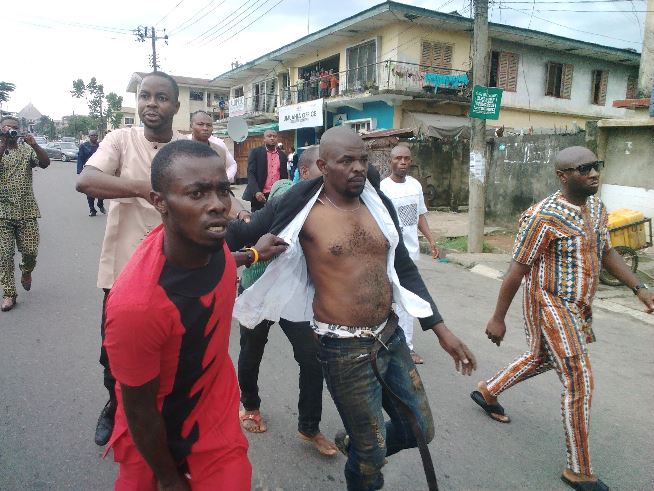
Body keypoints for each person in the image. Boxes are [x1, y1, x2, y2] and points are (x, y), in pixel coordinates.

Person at [227, 127, 476, 491]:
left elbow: (403, 268)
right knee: (372, 458)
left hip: (389, 337)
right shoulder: (301, 205)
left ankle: (357, 446)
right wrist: (225, 250)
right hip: (344, 350)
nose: (358, 168)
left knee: (420, 429)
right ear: (324, 166)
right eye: (347, 161)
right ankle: (365, 454)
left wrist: (441, 330)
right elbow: (236, 236)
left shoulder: (377, 202)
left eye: (362, 159)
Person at [103, 139, 288, 491]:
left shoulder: (206, 241)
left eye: (222, 191)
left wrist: (253, 255)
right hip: (154, 437)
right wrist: (170, 479)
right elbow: (140, 410)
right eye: (197, 194)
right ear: (160, 203)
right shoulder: (137, 307)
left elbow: (218, 263)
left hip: (214, 413)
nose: (218, 205)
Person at [472, 147, 654, 491]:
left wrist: (638, 287)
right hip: (549, 303)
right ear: (563, 176)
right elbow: (517, 269)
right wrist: (498, 317)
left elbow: (607, 252)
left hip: (578, 306)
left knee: (543, 358)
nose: (593, 173)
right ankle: (579, 470)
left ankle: (488, 390)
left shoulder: (597, 209)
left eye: (596, 166)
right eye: (583, 168)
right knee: (578, 377)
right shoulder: (543, 216)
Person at [76, 71, 185, 447]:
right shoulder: (121, 139)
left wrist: (243, 215)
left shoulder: (186, 149)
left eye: (160, 97)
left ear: (176, 105)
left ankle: (167, 414)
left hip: (178, 270)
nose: (151, 104)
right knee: (114, 351)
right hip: (124, 269)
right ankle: (113, 404)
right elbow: (86, 180)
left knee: (177, 348)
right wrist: (145, 188)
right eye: (144, 96)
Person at [234, 146, 337, 456]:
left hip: (296, 295)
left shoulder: (330, 203)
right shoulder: (287, 195)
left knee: (312, 359)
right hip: (262, 286)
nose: (331, 175)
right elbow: (258, 222)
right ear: (305, 172)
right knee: (252, 350)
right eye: (324, 168)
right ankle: (250, 405)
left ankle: (309, 426)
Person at [380, 145, 439, 365]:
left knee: (407, 302)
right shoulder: (383, 188)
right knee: (389, 300)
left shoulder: (415, 185)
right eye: (398, 158)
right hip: (389, 253)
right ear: (391, 161)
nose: (403, 162)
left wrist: (431, 240)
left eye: (406, 158)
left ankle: (406, 347)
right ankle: (392, 343)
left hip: (409, 254)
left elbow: (420, 216)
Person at [0, 116, 50, 312]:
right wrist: (3, 141)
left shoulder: (26, 150)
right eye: (7, 128)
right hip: (2, 213)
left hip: (27, 210)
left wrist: (35, 145)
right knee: (4, 256)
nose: (11, 131)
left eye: (14, 128)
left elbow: (45, 163)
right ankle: (9, 294)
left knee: (30, 252)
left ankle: (26, 271)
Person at [242, 129, 288, 212]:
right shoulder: (256, 152)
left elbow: (284, 176)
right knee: (258, 221)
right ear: (264, 139)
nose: (272, 138)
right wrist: (256, 192)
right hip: (260, 195)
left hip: (276, 195)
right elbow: (251, 173)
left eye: (274, 136)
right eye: (269, 136)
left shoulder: (282, 155)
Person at [187, 110, 237, 182]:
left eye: (209, 125)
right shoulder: (180, 147)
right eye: (200, 124)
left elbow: (232, 165)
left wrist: (225, 180)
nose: (205, 128)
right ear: (191, 125)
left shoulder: (220, 149)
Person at [77, 130, 105, 217]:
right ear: (89, 136)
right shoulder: (83, 146)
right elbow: (80, 158)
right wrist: (80, 171)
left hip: (100, 170)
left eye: (96, 135)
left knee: (102, 190)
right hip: (88, 171)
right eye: (93, 135)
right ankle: (92, 209)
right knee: (90, 191)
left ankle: (100, 204)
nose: (95, 137)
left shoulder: (101, 145)